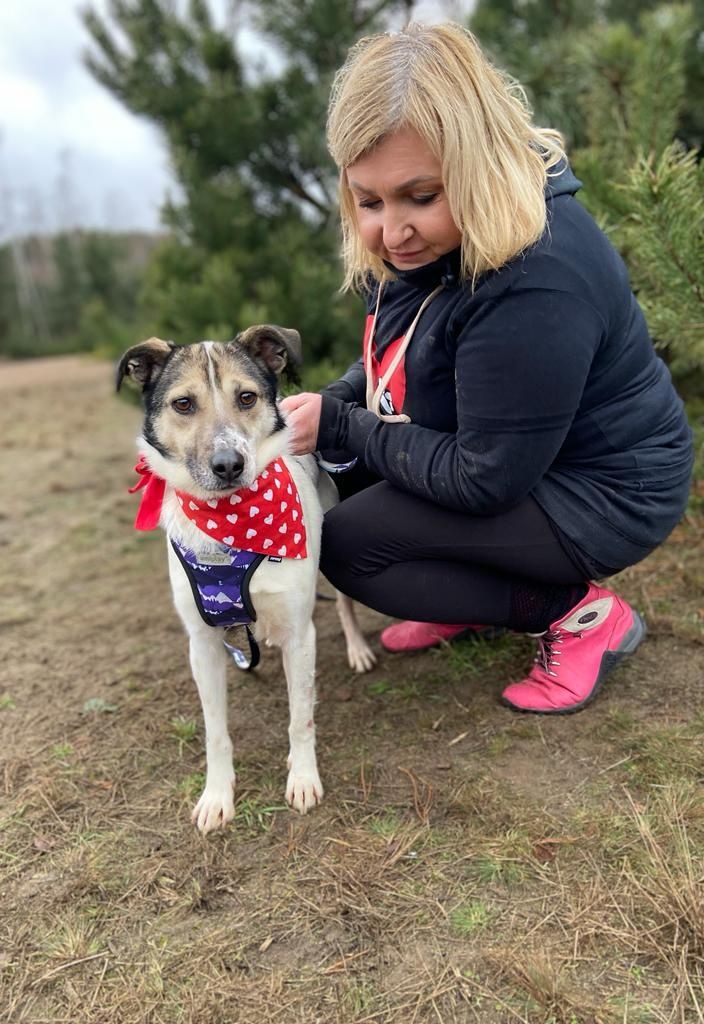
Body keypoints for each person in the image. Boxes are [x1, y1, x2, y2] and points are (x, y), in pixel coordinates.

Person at [280, 22, 694, 715]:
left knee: (350, 547)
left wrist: (345, 427)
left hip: (608, 490)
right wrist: (337, 402)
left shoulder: (538, 279)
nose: (390, 231)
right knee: (352, 487)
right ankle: (472, 596)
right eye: (368, 199)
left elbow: (485, 476)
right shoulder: (435, 244)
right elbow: (403, 354)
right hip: (524, 456)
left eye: (420, 195)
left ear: (476, 164)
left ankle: (573, 613)